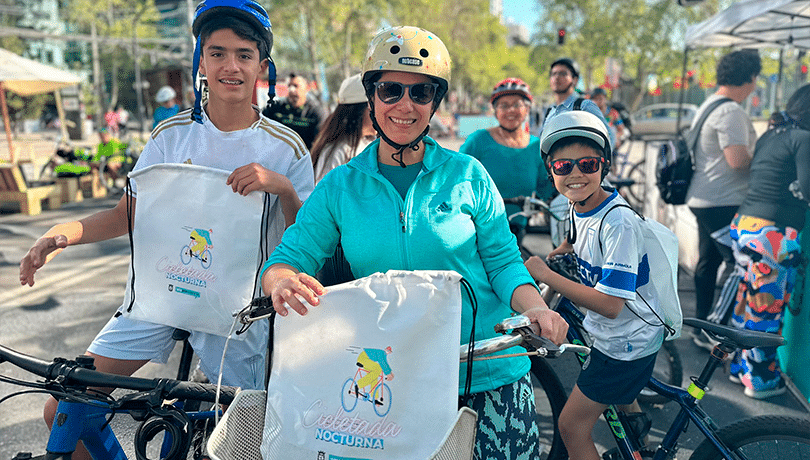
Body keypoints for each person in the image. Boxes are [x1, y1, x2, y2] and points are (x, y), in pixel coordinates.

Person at [18, 1, 314, 458]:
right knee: (64, 407)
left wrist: (282, 188)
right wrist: (62, 233)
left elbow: (305, 240)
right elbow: (125, 214)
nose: (230, 65)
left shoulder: (286, 147)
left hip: (237, 312)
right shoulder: (169, 136)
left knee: (237, 439)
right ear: (200, 60)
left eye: (244, 54)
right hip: (163, 296)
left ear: (262, 65)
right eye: (216, 53)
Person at [260, 25, 568, 459]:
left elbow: (503, 262)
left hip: (484, 371)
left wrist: (535, 306)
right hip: (395, 380)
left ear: (434, 104)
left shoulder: (469, 175)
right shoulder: (341, 187)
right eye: (390, 90)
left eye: (420, 93)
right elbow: (288, 258)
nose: (405, 105)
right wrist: (281, 282)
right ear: (371, 98)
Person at [525, 110, 664, 460]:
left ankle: (633, 427)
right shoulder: (579, 204)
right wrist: (558, 253)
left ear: (605, 165)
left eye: (587, 164)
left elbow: (610, 305)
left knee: (571, 427)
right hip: (620, 336)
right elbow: (573, 240)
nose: (575, 175)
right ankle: (635, 433)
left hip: (625, 345)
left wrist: (546, 274)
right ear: (551, 171)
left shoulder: (618, 222)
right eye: (563, 167)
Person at [726, 83, 810, 399]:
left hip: (745, 226)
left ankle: (738, 368)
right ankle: (761, 381)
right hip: (772, 235)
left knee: (747, 301)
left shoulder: (772, 135)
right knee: (766, 309)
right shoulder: (804, 139)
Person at [685, 50, 760, 350]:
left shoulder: (709, 105)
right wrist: (768, 162)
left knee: (709, 261)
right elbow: (737, 160)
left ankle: (701, 324)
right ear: (751, 78)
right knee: (737, 263)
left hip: (703, 197)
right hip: (723, 201)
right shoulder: (731, 112)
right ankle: (714, 331)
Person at [460, 77, 555, 242]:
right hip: (478, 231)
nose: (511, 110)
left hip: (517, 231)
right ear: (495, 111)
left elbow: (546, 188)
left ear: (527, 109)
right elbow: (457, 180)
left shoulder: (536, 147)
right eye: (504, 105)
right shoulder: (478, 141)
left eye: (517, 104)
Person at [310, 73, 376, 183]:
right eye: (373, 108)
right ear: (358, 111)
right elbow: (325, 195)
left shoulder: (374, 144)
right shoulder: (338, 151)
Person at [542, 57, 615, 148]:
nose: (557, 77)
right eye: (553, 74)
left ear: (575, 79)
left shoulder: (584, 106)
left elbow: (609, 136)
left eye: (563, 74)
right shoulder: (550, 110)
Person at [262, 72, 325, 149]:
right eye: (289, 86)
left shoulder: (316, 111)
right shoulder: (276, 108)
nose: (291, 90)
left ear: (307, 88)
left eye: (295, 86)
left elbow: (320, 141)